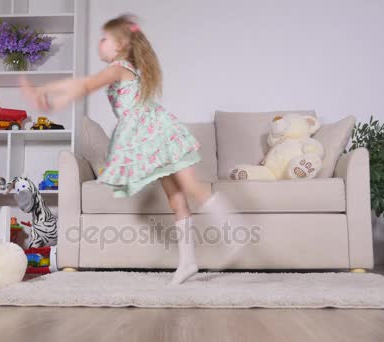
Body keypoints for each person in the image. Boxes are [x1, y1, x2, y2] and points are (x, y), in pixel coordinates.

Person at [20, 14, 237, 285]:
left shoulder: (119, 67)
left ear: (120, 44)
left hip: (152, 132)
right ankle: (188, 262)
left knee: (190, 187)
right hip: (148, 132)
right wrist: (52, 97)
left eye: (104, 39)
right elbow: (80, 87)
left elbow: (85, 85)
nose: (99, 44)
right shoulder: (122, 69)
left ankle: (232, 232)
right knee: (177, 197)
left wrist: (47, 91)